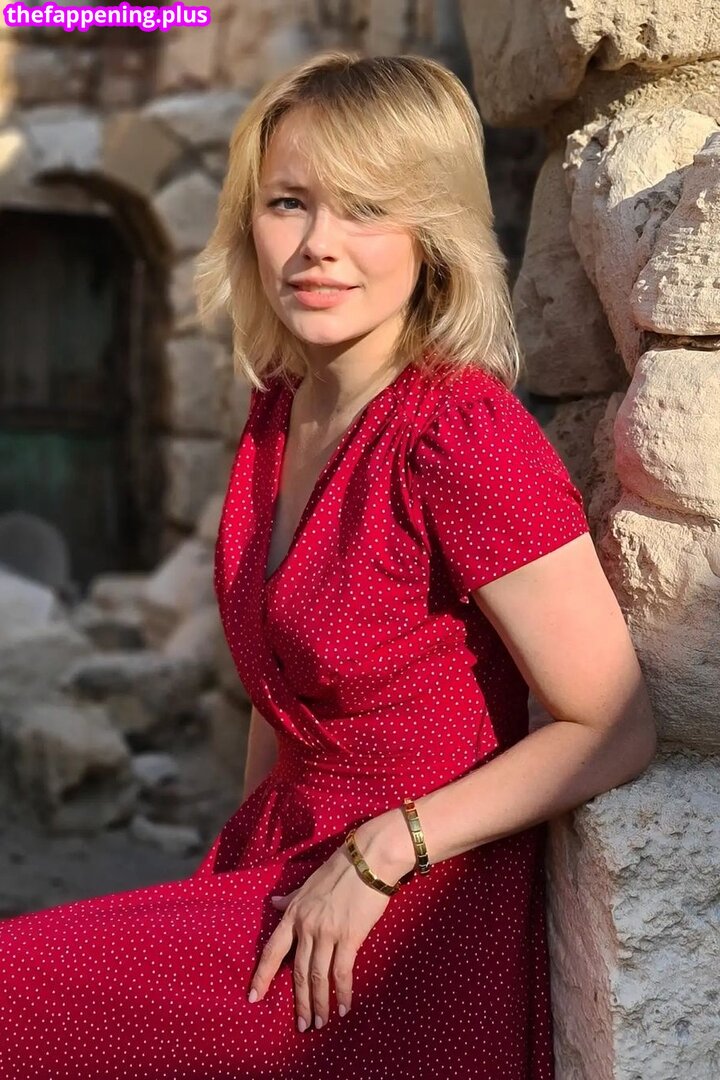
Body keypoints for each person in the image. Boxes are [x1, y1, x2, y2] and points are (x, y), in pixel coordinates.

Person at [0, 50, 657, 1079]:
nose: (317, 246)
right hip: (279, 872)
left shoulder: (460, 432)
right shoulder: (279, 411)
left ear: (432, 233)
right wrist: (219, 886)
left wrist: (386, 849)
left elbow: (613, 725)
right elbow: (279, 699)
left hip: (407, 920)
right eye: (289, 202)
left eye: (366, 209)